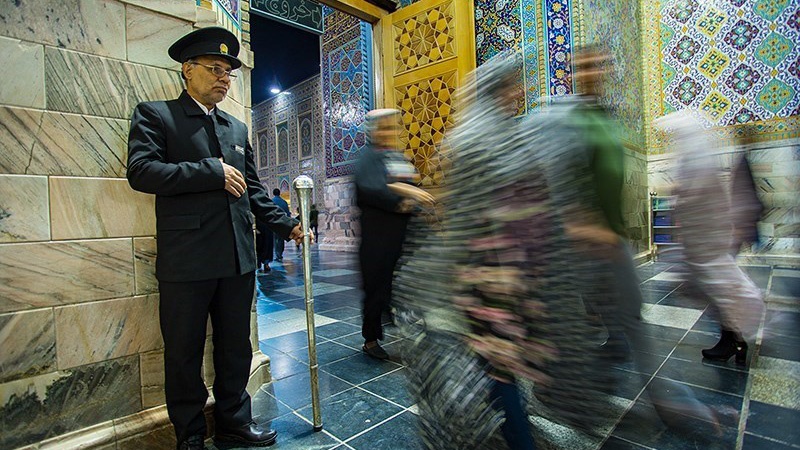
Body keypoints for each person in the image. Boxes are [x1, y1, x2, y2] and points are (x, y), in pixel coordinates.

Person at [126, 27, 307, 450]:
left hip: (236, 258)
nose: (224, 79)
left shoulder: (235, 128)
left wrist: (288, 225)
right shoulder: (157, 116)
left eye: (228, 72)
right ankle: (190, 433)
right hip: (186, 259)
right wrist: (210, 171)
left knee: (234, 348)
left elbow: (254, 190)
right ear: (187, 70)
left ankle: (233, 422)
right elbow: (141, 171)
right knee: (184, 352)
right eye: (215, 69)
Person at [656, 111, 764, 363]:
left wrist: (676, 191)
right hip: (706, 240)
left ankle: (735, 339)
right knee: (715, 288)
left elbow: (704, 196)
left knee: (719, 289)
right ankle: (734, 339)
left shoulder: (701, 159)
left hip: (710, 240)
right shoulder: (696, 158)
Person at [354, 108, 434, 360]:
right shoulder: (367, 158)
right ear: (374, 131)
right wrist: (402, 198)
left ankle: (400, 322)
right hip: (378, 240)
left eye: (392, 127)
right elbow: (371, 189)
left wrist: (411, 197)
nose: (389, 132)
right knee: (375, 289)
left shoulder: (396, 157)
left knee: (397, 286)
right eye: (384, 127)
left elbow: (411, 183)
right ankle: (370, 340)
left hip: (401, 237)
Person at [271, 188, 290, 262]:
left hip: (273, 223)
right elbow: (288, 214)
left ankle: (277, 254)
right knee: (281, 239)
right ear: (279, 193)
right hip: (282, 223)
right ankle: (280, 254)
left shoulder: (271, 202)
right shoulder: (284, 202)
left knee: (275, 239)